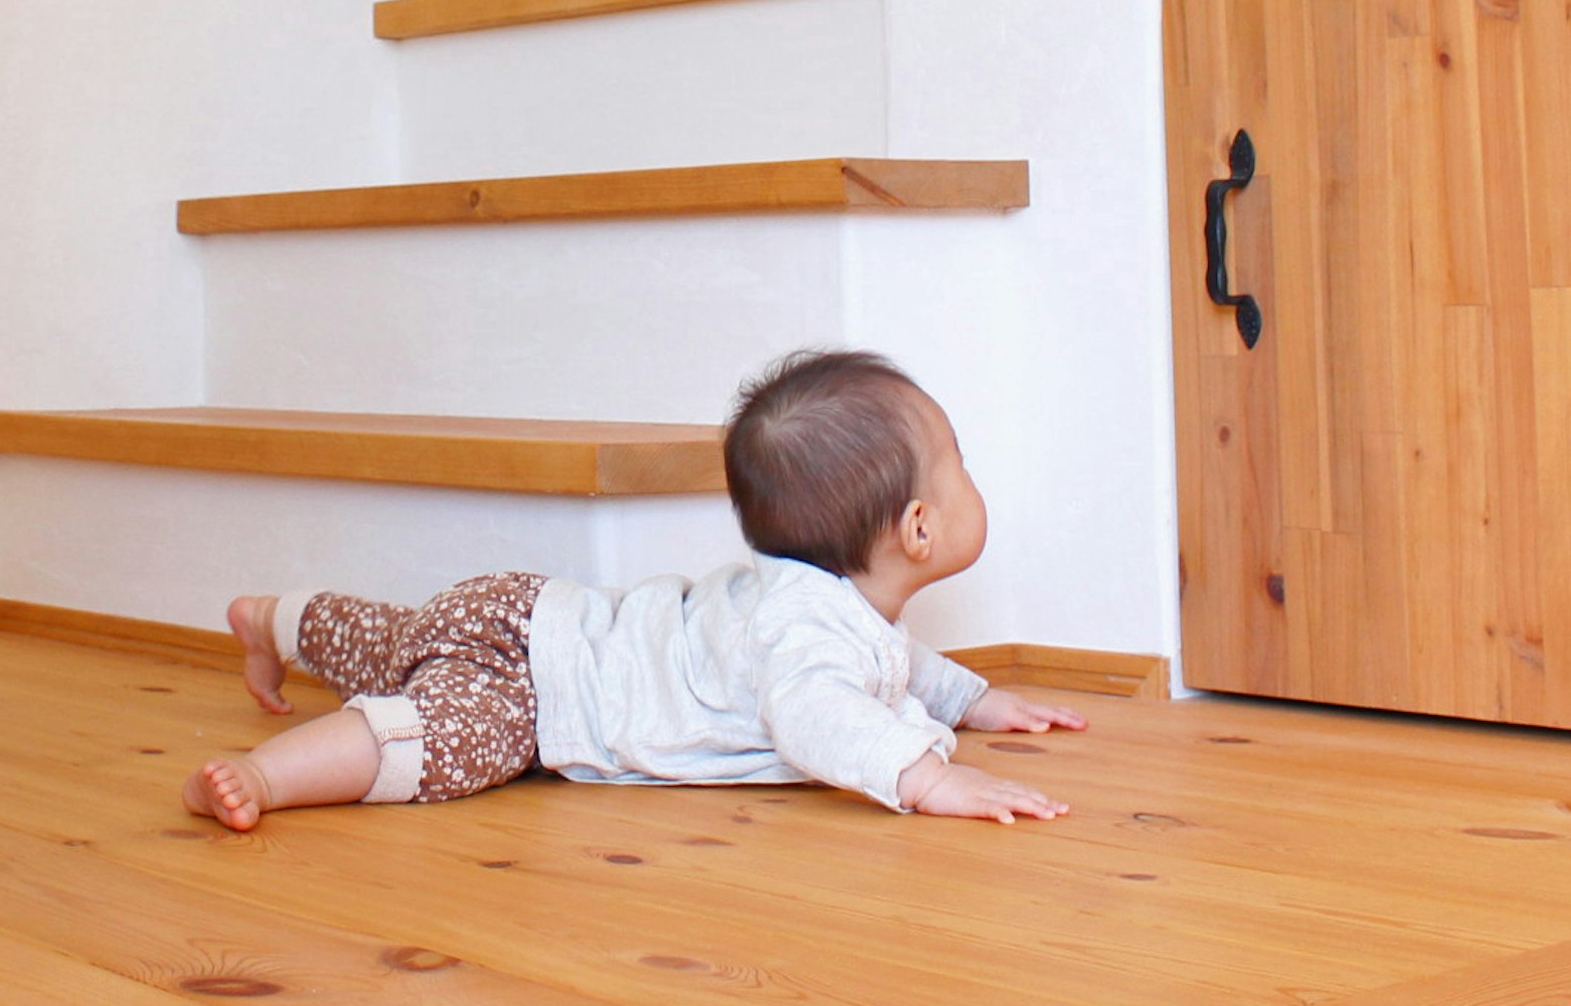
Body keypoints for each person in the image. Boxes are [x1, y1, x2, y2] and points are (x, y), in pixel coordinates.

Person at [183, 349, 1085, 830]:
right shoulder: (807, 641)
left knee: (403, 639)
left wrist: (974, 700)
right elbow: (821, 713)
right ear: (919, 528)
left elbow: (892, 667)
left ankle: (277, 618)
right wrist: (927, 781)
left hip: (526, 609)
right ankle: (268, 777)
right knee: (427, 739)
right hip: (534, 693)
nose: (974, 479)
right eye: (958, 465)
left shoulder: (809, 608)